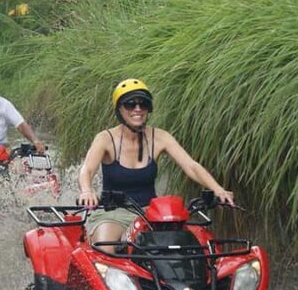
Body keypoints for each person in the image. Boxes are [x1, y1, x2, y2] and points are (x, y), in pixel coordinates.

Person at [78, 78, 234, 245]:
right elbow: (87, 170)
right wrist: (87, 191)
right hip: (114, 214)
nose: (137, 109)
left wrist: (218, 189)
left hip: (152, 214)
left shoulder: (160, 137)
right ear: (120, 110)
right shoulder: (105, 139)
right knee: (104, 247)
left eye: (143, 104)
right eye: (131, 104)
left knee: (191, 247)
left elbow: (191, 166)